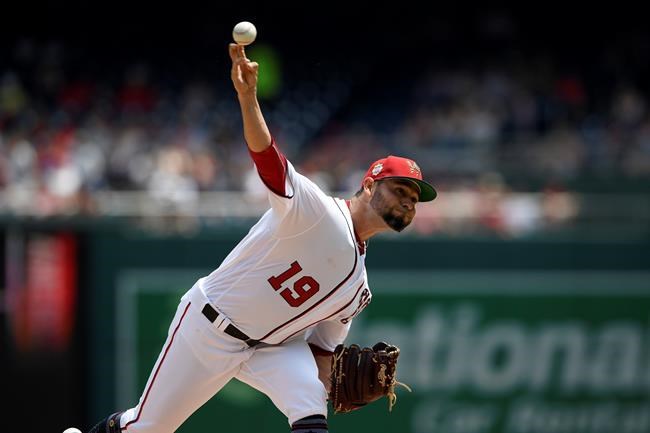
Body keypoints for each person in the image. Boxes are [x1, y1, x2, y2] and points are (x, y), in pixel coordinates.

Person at [85, 43, 437, 433]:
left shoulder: (358, 290)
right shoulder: (317, 210)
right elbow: (268, 159)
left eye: (413, 198)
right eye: (399, 190)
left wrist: (336, 378)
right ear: (369, 185)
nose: (407, 202)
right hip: (210, 327)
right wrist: (248, 97)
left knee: (307, 399)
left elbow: (322, 349)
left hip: (270, 348)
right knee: (148, 428)